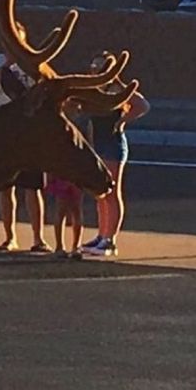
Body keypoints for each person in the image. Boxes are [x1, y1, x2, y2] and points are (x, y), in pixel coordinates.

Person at [0, 46, 48, 253]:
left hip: (28, 132)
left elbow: (43, 89)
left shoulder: (34, 65)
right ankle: (10, 237)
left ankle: (38, 238)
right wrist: (6, 66)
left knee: (32, 187)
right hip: (1, 130)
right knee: (5, 187)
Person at [82, 53, 150, 258]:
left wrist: (122, 121)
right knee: (99, 191)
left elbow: (143, 105)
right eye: (95, 66)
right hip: (98, 143)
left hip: (113, 143)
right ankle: (101, 234)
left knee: (112, 190)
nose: (97, 70)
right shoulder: (93, 90)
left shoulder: (118, 89)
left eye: (102, 67)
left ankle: (110, 240)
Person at [45, 173, 84, 259]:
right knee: (72, 211)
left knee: (66, 211)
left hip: (67, 176)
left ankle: (64, 246)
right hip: (73, 176)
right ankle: (73, 246)